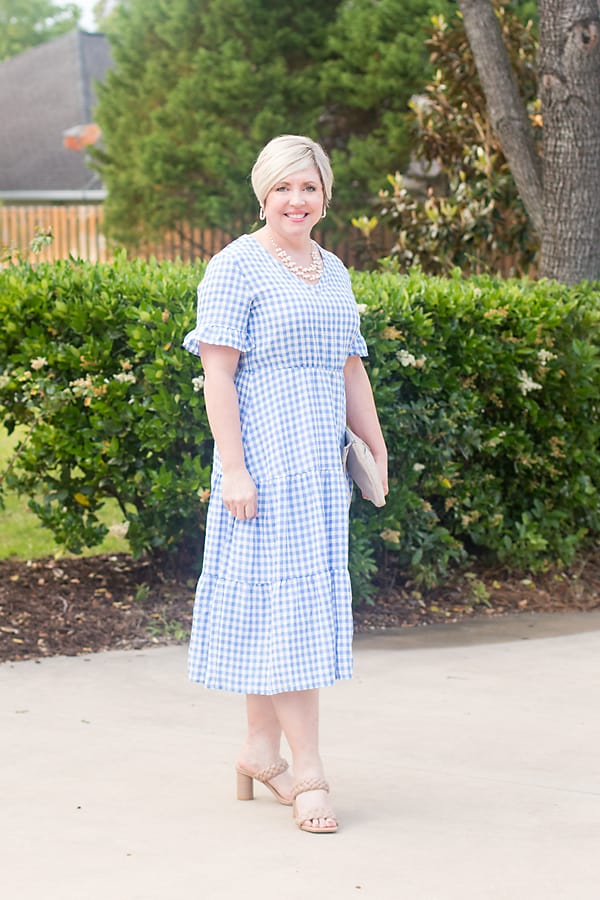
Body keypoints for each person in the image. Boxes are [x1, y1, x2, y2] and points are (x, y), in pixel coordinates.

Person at [183, 134, 388, 834]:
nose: (296, 200)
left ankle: (259, 751)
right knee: (289, 615)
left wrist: (376, 449)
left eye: (309, 188)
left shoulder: (333, 270)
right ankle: (308, 775)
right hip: (262, 467)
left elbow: (349, 368)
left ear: (325, 195)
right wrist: (234, 469)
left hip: (318, 472)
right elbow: (217, 375)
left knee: (285, 612)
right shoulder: (234, 267)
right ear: (262, 194)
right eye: (283, 188)